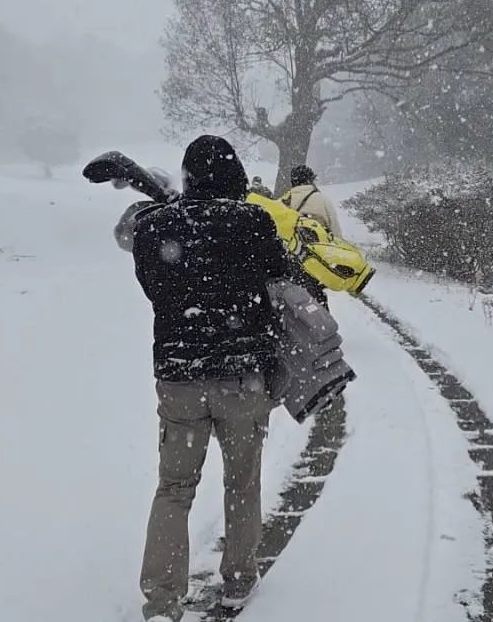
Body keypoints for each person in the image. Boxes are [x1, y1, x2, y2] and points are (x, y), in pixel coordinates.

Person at [132, 135, 291, 622]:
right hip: (242, 378)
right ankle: (238, 580)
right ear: (235, 175)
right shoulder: (253, 222)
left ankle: (162, 599)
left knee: (174, 488)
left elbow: (153, 287)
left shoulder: (154, 226)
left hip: (179, 377)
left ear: (188, 175)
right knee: (242, 482)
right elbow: (280, 276)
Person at [281, 164, 343, 239]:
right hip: (321, 245)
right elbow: (336, 232)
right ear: (310, 180)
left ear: (292, 182)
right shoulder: (323, 200)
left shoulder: (284, 202)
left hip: (294, 245)